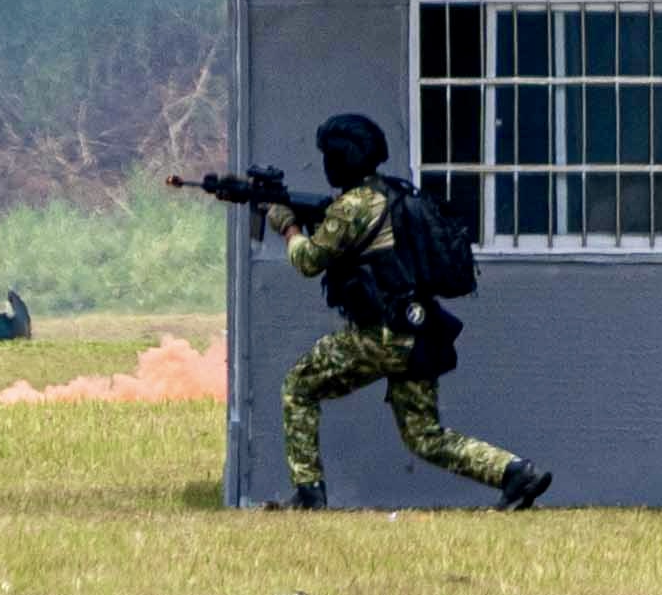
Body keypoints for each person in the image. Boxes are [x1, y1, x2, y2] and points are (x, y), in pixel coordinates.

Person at [235, 107, 550, 511]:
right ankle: (516, 473)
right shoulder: (393, 193)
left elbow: (308, 260)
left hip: (380, 335)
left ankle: (309, 492)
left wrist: (287, 225)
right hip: (417, 331)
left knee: (298, 386)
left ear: (340, 160)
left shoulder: (352, 206)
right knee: (424, 436)